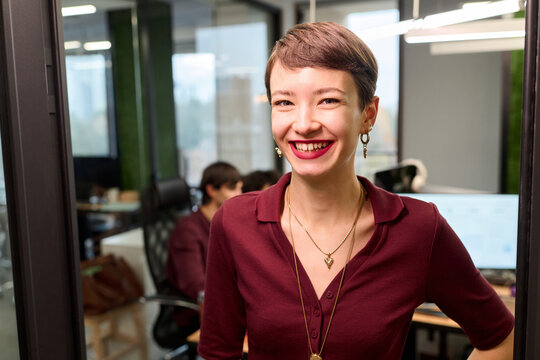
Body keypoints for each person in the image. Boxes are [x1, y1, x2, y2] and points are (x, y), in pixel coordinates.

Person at [198, 22, 514, 360]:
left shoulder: (419, 229)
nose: (303, 124)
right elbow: (218, 353)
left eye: (328, 100)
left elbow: (502, 338)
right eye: (285, 102)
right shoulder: (234, 223)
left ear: (368, 114)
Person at [166, 161, 242, 333]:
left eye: (240, 188)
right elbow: (195, 285)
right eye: (233, 189)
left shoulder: (226, 223)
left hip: (227, 300)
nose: (240, 195)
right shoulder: (187, 230)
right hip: (196, 310)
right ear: (211, 191)